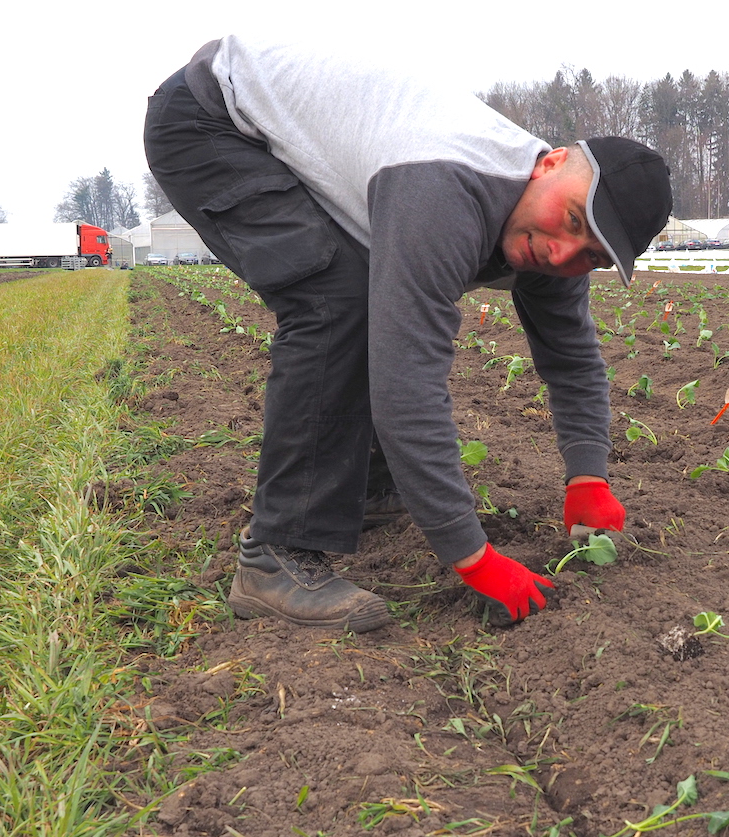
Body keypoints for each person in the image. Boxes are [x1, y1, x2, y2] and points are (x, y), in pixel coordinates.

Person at [144, 36, 671, 632]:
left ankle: (366, 488)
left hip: (281, 135)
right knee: (333, 301)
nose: (562, 252)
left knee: (364, 293)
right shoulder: (443, 191)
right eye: (573, 222)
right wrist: (473, 559)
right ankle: (275, 556)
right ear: (548, 163)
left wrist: (588, 476)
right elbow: (406, 385)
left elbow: (572, 362)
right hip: (211, 118)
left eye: (591, 256)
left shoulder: (552, 238)